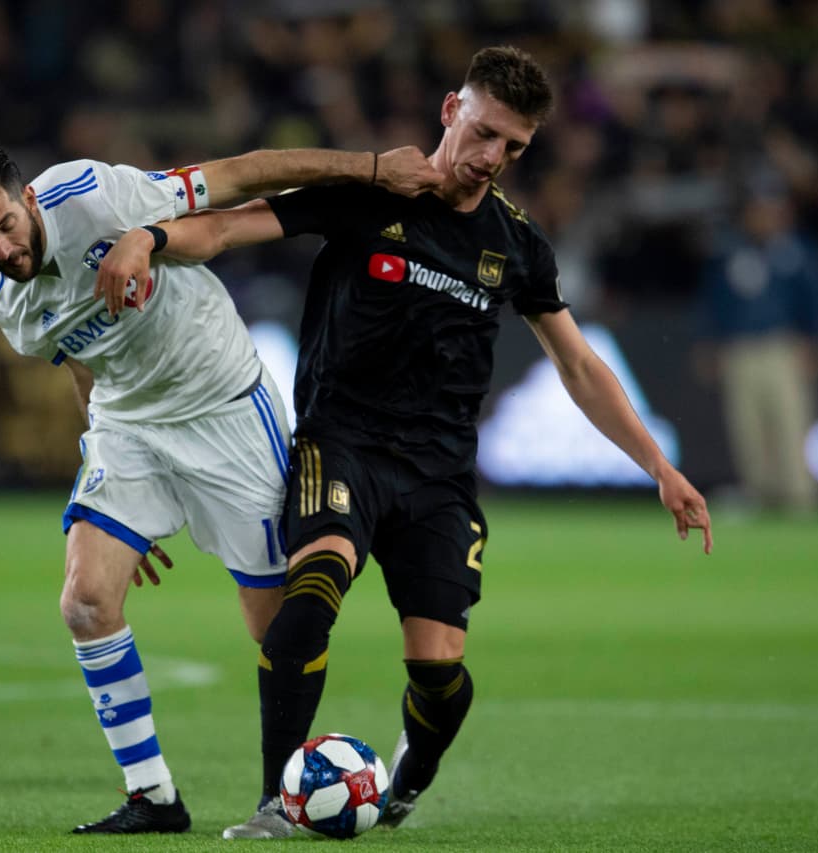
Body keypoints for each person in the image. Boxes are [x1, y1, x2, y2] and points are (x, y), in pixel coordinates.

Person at [97, 44, 714, 838]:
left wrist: (659, 465)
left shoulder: (516, 243)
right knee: (308, 600)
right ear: (451, 110)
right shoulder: (368, 193)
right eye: (485, 132)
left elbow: (579, 364)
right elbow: (224, 228)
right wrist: (149, 237)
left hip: (439, 477)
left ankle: (408, 779)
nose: (493, 157)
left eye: (514, 146)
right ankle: (274, 803)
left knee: (439, 674)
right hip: (341, 443)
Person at [0, 143, 439, 834]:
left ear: (28, 201)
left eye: (6, 227)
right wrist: (116, 503)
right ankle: (153, 796)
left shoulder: (94, 196)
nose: (1, 249)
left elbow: (241, 175)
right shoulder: (3, 297)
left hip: (224, 408)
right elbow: (83, 367)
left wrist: (374, 168)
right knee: (86, 602)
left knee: (278, 627)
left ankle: (285, 795)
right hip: (128, 427)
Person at [693, 165, 818, 513]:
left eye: (772, 209)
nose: (765, 217)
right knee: (748, 427)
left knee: (789, 422)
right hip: (740, 348)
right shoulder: (730, 252)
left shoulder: (798, 253)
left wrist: (817, 340)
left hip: (782, 347)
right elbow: (714, 303)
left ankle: (799, 495)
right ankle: (759, 491)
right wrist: (708, 344)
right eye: (759, 209)